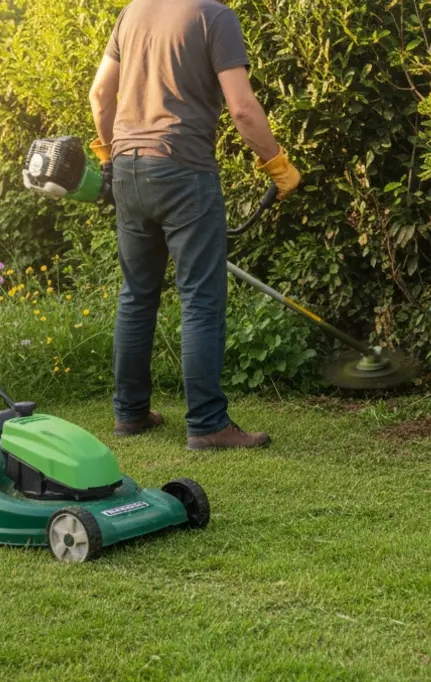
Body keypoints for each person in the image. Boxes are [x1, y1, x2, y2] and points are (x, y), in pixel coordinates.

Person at [88, 0, 300, 450]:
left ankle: (130, 413)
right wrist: (276, 163)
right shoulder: (214, 16)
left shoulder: (132, 14)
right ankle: (207, 424)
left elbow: (100, 95)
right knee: (201, 298)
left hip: (127, 166)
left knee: (136, 295)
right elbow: (242, 108)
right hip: (182, 169)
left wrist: (108, 156)